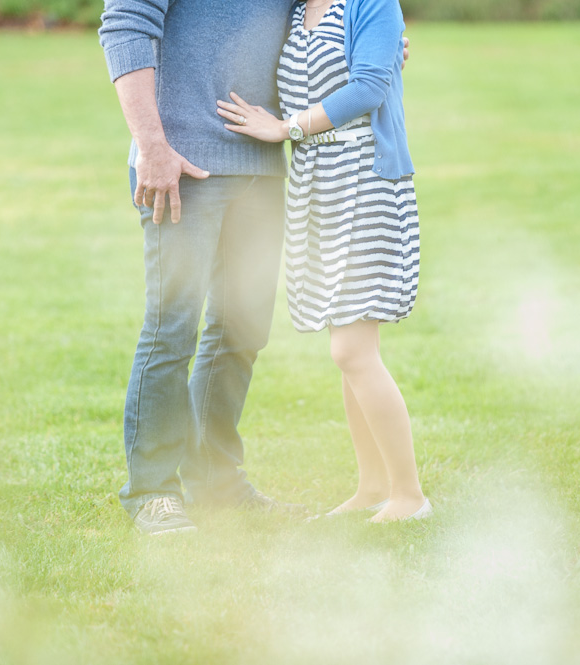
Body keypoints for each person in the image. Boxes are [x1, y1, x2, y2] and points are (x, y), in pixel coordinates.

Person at [98, 0, 410, 534]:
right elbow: (125, 24)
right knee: (171, 328)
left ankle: (216, 481)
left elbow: (319, 26)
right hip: (181, 162)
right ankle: (152, 490)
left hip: (261, 165)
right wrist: (151, 146)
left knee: (240, 333)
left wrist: (379, 43)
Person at [215, 0, 431, 522]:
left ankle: (409, 496)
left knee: (352, 348)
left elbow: (369, 88)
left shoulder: (371, 4)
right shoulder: (294, 12)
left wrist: (287, 128)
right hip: (319, 188)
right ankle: (373, 486)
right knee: (350, 343)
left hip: (365, 180)